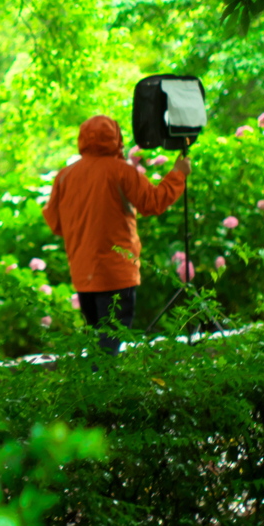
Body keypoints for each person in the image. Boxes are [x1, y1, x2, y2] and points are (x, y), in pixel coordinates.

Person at [42, 115, 190, 355]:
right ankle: (101, 388)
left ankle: (94, 386)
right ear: (116, 139)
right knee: (110, 342)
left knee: (98, 339)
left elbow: (55, 223)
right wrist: (178, 174)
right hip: (117, 273)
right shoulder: (121, 171)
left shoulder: (65, 176)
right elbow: (152, 203)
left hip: (83, 274)